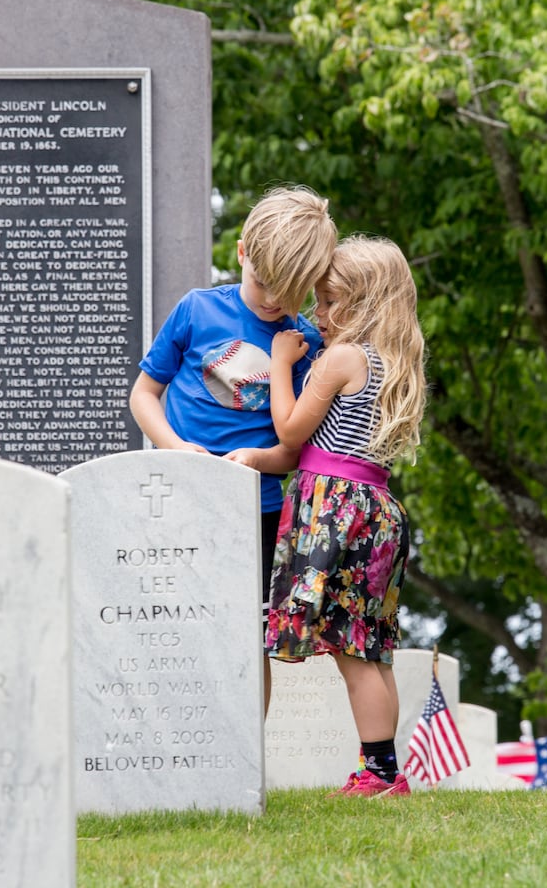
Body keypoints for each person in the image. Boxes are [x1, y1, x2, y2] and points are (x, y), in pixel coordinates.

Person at [129, 185, 337, 715]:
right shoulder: (197, 310)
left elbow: (294, 448)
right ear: (242, 252)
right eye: (264, 283)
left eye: (288, 293)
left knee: (246, 632)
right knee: (167, 625)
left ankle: (243, 761)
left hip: (256, 509)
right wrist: (176, 449)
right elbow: (144, 395)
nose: (272, 301)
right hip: (176, 496)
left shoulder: (305, 342)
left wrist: (256, 461)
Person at [264, 233, 426, 797]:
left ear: (367, 303)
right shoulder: (393, 363)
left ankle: (380, 775)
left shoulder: (342, 358)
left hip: (337, 508)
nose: (318, 314)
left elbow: (290, 430)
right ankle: (380, 767)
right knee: (371, 648)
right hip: (376, 507)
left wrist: (281, 364)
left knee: (354, 654)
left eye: (330, 301)